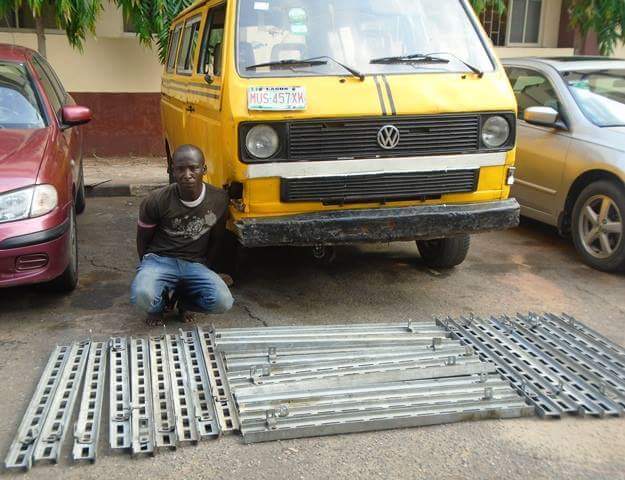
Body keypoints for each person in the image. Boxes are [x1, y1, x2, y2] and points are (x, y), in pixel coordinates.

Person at [130, 144, 234, 326]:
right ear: (171, 170)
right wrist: (146, 268)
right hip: (159, 260)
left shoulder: (219, 199)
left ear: (204, 169)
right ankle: (158, 305)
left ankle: (184, 302)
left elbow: (217, 238)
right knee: (142, 295)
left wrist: (206, 266)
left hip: (195, 263)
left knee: (223, 302)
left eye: (193, 168)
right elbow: (142, 239)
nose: (187, 175)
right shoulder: (156, 200)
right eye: (180, 169)